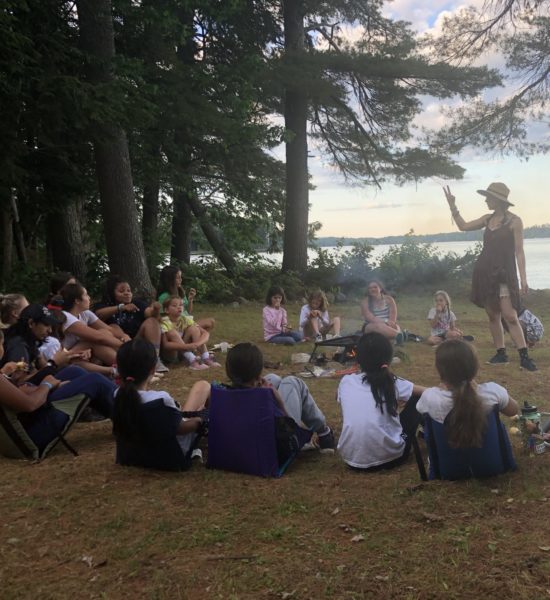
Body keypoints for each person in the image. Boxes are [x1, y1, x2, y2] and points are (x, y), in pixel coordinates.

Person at [444, 182, 537, 371]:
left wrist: (524, 278)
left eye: (489, 197)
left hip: (504, 274)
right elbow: (463, 226)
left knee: (510, 315)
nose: (486, 200)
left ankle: (524, 356)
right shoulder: (487, 219)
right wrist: (452, 205)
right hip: (485, 272)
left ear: (499, 200)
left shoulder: (515, 221)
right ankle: (501, 353)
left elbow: (519, 252)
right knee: (492, 314)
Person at [219, 342, 335, 451]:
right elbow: (288, 426)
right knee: (291, 382)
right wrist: (278, 400)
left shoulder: (223, 394)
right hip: (278, 445)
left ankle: (324, 434)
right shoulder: (257, 398)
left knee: (273, 378)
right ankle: (324, 434)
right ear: (257, 371)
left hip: (245, 441)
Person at [337, 332, 425, 470]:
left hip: (351, 459)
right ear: (388, 359)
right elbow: (427, 393)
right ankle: (430, 433)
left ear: (358, 358)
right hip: (392, 458)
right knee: (420, 398)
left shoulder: (346, 382)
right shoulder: (394, 382)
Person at [113, 338, 208, 461]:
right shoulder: (160, 399)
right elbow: (180, 429)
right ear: (153, 370)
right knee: (203, 392)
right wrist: (201, 419)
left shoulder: (118, 394)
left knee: (202, 387)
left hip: (132, 455)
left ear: (119, 370)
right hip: (170, 455)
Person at [416, 339, 518, 447]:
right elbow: (513, 410)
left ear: (439, 370)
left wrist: (439, 390)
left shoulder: (430, 397)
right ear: (475, 367)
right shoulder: (493, 392)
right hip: (493, 462)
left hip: (447, 463)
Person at [93, 274, 167, 373]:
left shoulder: (137, 303)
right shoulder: (104, 305)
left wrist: (156, 309)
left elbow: (150, 313)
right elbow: (98, 315)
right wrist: (121, 307)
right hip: (117, 345)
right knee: (112, 326)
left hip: (136, 341)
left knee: (152, 322)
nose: (127, 293)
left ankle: (154, 360)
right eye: (121, 291)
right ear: (111, 293)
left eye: (128, 290)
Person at [58, 282, 122, 371]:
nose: (89, 298)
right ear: (77, 300)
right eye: (86, 295)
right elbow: (98, 337)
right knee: (93, 340)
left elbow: (107, 330)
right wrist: (124, 345)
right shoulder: (66, 316)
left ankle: (121, 368)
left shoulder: (83, 313)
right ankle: (125, 367)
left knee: (104, 333)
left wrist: (123, 337)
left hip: (76, 352)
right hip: (60, 358)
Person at [160, 296, 219, 370]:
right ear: (166, 310)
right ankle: (193, 360)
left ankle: (205, 357)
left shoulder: (185, 319)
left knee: (194, 329)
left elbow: (206, 333)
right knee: (172, 333)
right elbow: (166, 345)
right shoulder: (164, 322)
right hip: (171, 354)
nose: (179, 307)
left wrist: (196, 344)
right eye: (175, 305)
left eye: (181, 305)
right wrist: (187, 346)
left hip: (184, 352)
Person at [157, 265, 215, 332]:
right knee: (203, 329)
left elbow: (188, 311)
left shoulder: (180, 292)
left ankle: (191, 339)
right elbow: (162, 318)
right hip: (178, 327)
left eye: (181, 277)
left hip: (187, 322)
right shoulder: (164, 297)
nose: (181, 280)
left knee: (211, 322)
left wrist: (190, 300)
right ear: (170, 280)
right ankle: (192, 339)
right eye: (178, 278)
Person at [361, 280, 403, 344]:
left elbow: (393, 318)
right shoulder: (365, 302)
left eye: (375, 287)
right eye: (370, 288)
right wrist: (385, 322)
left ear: (380, 288)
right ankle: (398, 336)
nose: (372, 289)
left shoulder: (389, 299)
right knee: (378, 326)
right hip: (371, 326)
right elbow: (370, 318)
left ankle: (394, 338)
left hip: (387, 325)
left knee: (395, 326)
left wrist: (389, 324)